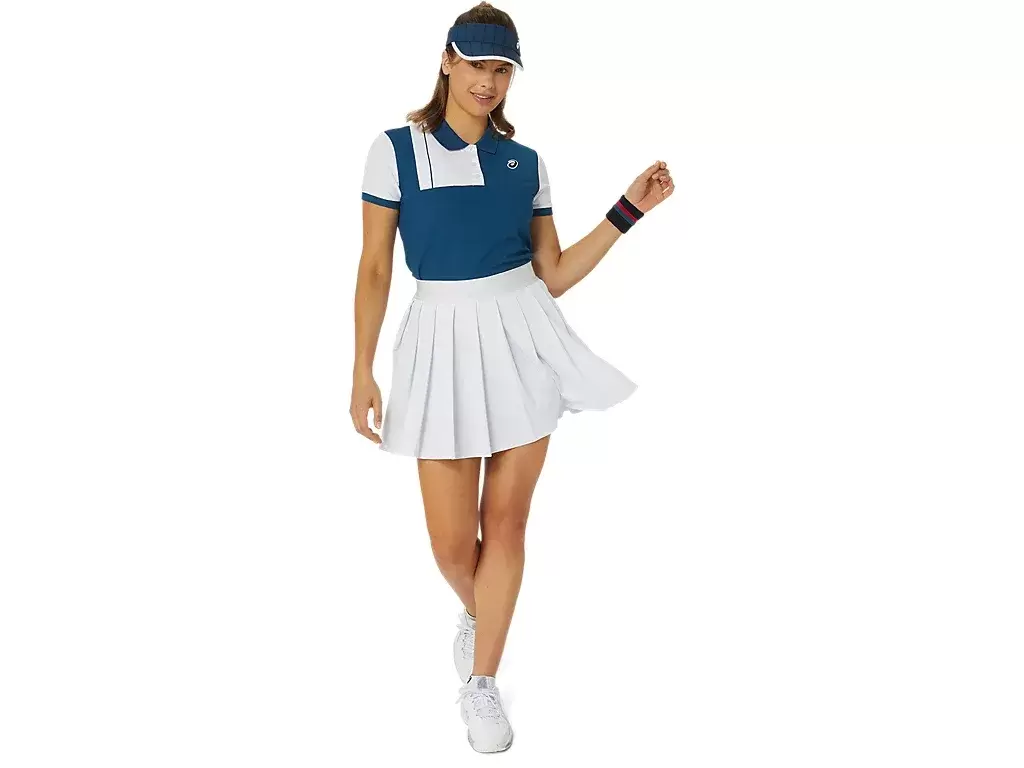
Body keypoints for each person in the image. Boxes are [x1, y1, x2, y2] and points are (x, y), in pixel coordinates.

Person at [350, 2, 673, 753]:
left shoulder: (525, 163)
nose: (488, 82)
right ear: (446, 61)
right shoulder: (394, 151)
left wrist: (628, 211)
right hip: (439, 343)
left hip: (524, 339)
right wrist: (361, 369)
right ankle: (482, 613)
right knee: (450, 545)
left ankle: (483, 682)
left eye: (502, 70)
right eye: (476, 65)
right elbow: (374, 268)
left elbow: (551, 274)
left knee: (506, 525)